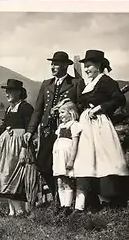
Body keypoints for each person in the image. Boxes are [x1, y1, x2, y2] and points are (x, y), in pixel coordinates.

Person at [23, 51, 86, 203]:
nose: (53, 67)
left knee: (65, 167)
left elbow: (81, 105)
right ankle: (57, 197)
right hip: (47, 131)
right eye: (52, 64)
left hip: (66, 132)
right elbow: (38, 109)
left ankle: (67, 203)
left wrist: (65, 107)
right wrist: (30, 131)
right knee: (44, 166)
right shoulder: (46, 84)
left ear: (66, 66)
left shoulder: (75, 83)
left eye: (56, 64)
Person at [74, 50, 129, 210]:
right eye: (85, 67)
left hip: (99, 125)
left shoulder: (105, 81)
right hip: (86, 125)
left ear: (98, 65)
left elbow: (120, 98)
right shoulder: (87, 84)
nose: (86, 70)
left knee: (104, 158)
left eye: (89, 66)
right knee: (87, 159)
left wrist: (101, 107)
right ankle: (89, 202)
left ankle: (108, 201)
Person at [0, 79, 34, 217]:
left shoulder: (25, 107)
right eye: (6, 91)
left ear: (18, 92)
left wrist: (24, 148)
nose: (7, 94)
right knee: (6, 175)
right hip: (8, 149)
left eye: (10, 91)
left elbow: (30, 129)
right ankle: (13, 211)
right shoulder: (8, 109)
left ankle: (21, 210)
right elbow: (2, 128)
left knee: (18, 177)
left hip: (19, 148)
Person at [51, 98, 83, 216]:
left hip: (67, 156)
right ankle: (62, 205)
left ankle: (68, 206)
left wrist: (71, 160)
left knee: (66, 181)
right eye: (59, 113)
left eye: (63, 112)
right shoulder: (60, 127)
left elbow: (74, 145)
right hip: (58, 155)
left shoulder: (74, 125)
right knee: (60, 181)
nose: (60, 115)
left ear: (71, 112)